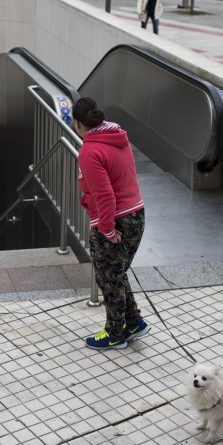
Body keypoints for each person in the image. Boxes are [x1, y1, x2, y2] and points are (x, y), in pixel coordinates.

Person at [72, 97, 150, 350]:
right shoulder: (116, 136)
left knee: (109, 277)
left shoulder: (90, 151)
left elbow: (104, 195)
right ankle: (134, 321)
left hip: (115, 219)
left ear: (77, 123)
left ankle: (115, 334)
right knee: (116, 274)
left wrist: (106, 228)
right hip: (136, 213)